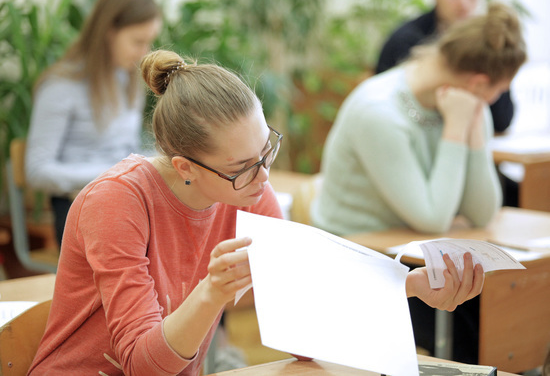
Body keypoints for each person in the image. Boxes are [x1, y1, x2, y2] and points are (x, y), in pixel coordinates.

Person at [28, 49, 485, 375]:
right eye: (243, 168)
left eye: (266, 151)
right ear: (185, 167)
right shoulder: (116, 202)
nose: (264, 178)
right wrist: (210, 294)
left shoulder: (245, 191)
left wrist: (411, 286)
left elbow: (299, 324)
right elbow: (144, 366)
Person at [312, 2, 526, 363]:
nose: (495, 101)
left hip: (412, 253)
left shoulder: (464, 103)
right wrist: (457, 128)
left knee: (497, 306)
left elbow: (482, 211)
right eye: (498, 91)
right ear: (478, 83)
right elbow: (432, 219)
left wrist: (472, 128)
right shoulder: (378, 112)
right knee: (473, 328)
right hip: (359, 267)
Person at [25, 0, 162, 245]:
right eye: (137, 41)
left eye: (149, 42)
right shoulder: (60, 86)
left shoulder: (127, 80)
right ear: (109, 31)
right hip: (80, 206)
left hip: (125, 198)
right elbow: (37, 170)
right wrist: (111, 173)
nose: (144, 52)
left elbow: (128, 149)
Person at [375, 0, 520, 208]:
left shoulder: (490, 44)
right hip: (417, 164)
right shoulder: (406, 40)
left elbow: (503, 117)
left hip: (469, 153)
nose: (463, 2)